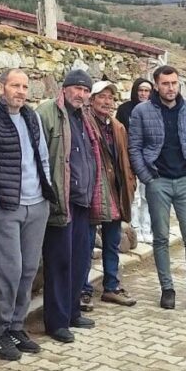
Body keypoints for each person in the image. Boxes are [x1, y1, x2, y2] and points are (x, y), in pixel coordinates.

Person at [0, 69, 54, 360]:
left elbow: (42, 157)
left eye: (24, 87)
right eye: (14, 85)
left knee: (29, 269)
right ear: (1, 87)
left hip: (37, 205)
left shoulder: (32, 117)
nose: (20, 91)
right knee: (9, 272)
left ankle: (17, 326)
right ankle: (0, 331)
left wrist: (47, 190)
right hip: (7, 207)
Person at [128, 65, 186, 311]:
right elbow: (135, 147)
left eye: (174, 83)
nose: (171, 88)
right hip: (158, 181)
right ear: (156, 85)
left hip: (185, 180)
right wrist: (147, 177)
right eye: (165, 83)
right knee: (160, 238)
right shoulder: (142, 111)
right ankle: (167, 289)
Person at [37, 69, 98, 343]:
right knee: (59, 263)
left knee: (80, 260)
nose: (81, 94)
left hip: (83, 201)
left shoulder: (84, 117)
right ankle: (56, 321)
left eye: (86, 91)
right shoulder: (48, 112)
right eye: (77, 89)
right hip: (61, 201)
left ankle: (73, 312)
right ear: (65, 88)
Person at [81, 80, 138, 309]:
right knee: (85, 244)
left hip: (114, 192)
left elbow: (124, 158)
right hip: (91, 191)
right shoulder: (83, 123)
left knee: (112, 242)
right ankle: (82, 289)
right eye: (102, 96)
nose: (107, 102)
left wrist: (130, 183)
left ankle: (111, 286)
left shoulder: (117, 127)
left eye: (110, 98)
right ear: (92, 100)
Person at [117, 78, 154, 243]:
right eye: (141, 90)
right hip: (129, 158)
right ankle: (134, 230)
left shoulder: (155, 109)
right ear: (135, 91)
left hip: (150, 161)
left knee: (148, 196)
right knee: (133, 196)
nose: (144, 94)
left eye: (147, 90)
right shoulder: (124, 109)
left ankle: (147, 228)